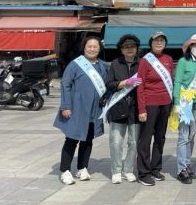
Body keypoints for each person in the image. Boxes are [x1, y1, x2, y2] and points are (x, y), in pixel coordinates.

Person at [54, 36, 109, 185]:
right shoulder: (75, 64)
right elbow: (65, 84)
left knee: (88, 140)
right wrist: (66, 106)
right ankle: (65, 170)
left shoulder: (103, 66)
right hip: (77, 108)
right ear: (84, 48)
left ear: (99, 49)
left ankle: (82, 168)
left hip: (94, 109)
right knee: (72, 139)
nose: (92, 49)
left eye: (95, 47)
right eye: (89, 46)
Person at [136, 30, 175, 186]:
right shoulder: (145, 61)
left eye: (162, 40)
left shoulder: (168, 59)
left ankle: (155, 168)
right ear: (151, 43)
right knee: (145, 139)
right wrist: (141, 109)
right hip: (150, 104)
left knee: (160, 137)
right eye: (156, 40)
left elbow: (171, 81)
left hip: (165, 104)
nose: (159, 43)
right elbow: (140, 86)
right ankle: (143, 172)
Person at [172, 33, 196, 184]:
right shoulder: (183, 62)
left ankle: (187, 164)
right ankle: (181, 169)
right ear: (190, 47)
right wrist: (176, 102)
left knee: (191, 136)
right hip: (184, 103)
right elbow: (177, 82)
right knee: (183, 137)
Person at [104, 34, 142, 184]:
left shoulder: (142, 63)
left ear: (136, 48)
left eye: (132, 46)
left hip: (136, 108)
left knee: (134, 142)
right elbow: (109, 84)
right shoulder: (115, 64)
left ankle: (128, 170)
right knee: (116, 142)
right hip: (118, 107)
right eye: (126, 47)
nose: (129, 49)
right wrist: (125, 83)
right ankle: (116, 170)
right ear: (121, 50)